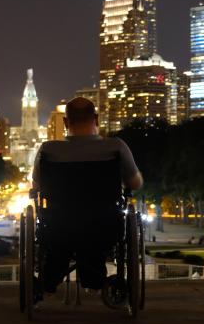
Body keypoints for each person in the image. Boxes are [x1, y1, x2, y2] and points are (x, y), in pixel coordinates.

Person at [31, 97, 143, 294]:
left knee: (58, 245)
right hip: (104, 225)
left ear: (66, 122)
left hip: (58, 225)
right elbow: (135, 183)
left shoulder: (48, 150)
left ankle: (49, 279)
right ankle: (94, 278)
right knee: (94, 240)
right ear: (96, 119)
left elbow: (38, 186)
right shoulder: (115, 147)